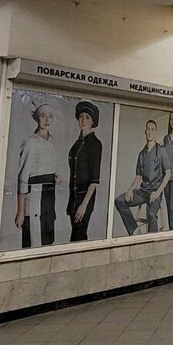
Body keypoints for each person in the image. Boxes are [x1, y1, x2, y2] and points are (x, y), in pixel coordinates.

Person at [16, 103, 60, 247]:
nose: (46, 120)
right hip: (34, 198)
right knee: (34, 241)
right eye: (42, 116)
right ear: (37, 118)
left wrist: (55, 177)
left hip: (49, 197)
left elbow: (45, 168)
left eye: (49, 116)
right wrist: (21, 211)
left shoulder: (52, 143)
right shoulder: (30, 143)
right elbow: (23, 178)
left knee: (47, 239)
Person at [115, 119, 171, 234]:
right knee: (119, 201)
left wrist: (158, 192)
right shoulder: (141, 154)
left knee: (151, 214)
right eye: (148, 129)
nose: (150, 132)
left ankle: (152, 240)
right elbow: (138, 177)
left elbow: (168, 173)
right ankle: (134, 230)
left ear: (155, 132)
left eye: (152, 129)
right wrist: (130, 190)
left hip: (155, 192)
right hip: (142, 191)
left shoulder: (161, 150)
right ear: (145, 131)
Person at [67, 100, 102, 242]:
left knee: (77, 238)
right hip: (73, 198)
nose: (83, 120)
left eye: (87, 117)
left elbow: (94, 182)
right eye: (81, 116)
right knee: (79, 237)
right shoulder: (77, 143)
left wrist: (83, 206)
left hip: (84, 199)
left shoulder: (95, 144)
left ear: (93, 121)